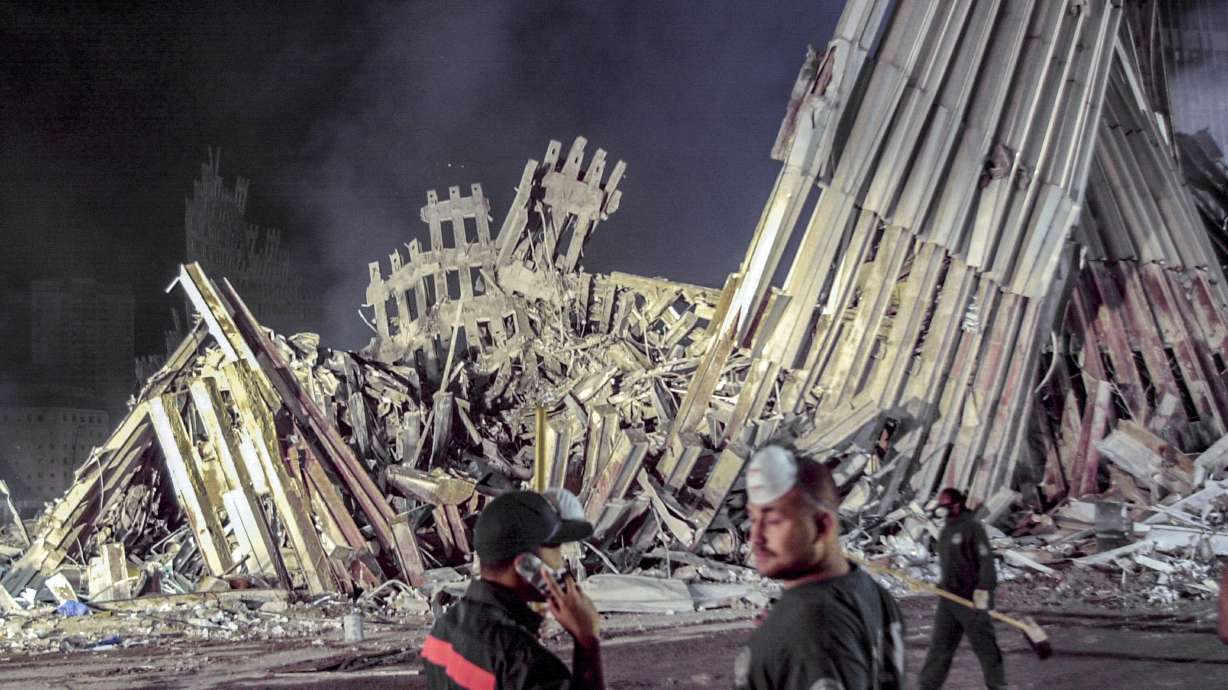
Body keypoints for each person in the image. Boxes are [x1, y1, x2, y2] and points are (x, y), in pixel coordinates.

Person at [735, 444, 905, 690]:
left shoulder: (812, 626)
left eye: (773, 521)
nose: (756, 537)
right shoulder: (873, 595)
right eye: (753, 519)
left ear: (822, 525)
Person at [423, 490, 605, 689]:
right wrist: (587, 641)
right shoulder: (524, 662)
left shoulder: (443, 629)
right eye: (556, 549)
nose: (561, 562)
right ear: (527, 565)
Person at [918, 487, 1005, 690]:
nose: (943, 510)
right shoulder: (946, 530)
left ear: (957, 504)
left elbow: (986, 562)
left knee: (985, 647)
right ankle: (927, 686)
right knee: (940, 647)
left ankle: (997, 685)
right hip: (949, 599)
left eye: (946, 506)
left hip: (972, 598)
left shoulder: (973, 528)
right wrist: (941, 584)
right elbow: (951, 563)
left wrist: (984, 590)